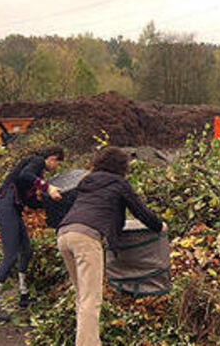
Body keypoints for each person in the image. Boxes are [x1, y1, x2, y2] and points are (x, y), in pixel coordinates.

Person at [56, 146, 166, 346]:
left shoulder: (87, 181)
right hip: (86, 238)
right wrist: (159, 226)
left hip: (64, 234)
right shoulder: (119, 183)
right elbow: (140, 211)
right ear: (120, 166)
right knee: (92, 299)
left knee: (81, 296)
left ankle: (87, 340)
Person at [0, 147, 64, 312]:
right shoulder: (36, 161)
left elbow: (31, 201)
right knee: (11, 255)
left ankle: (23, 293)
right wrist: (47, 187)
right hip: (5, 206)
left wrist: (49, 203)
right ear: (51, 158)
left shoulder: (37, 174)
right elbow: (25, 175)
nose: (56, 167)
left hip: (13, 209)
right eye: (57, 162)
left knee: (27, 250)